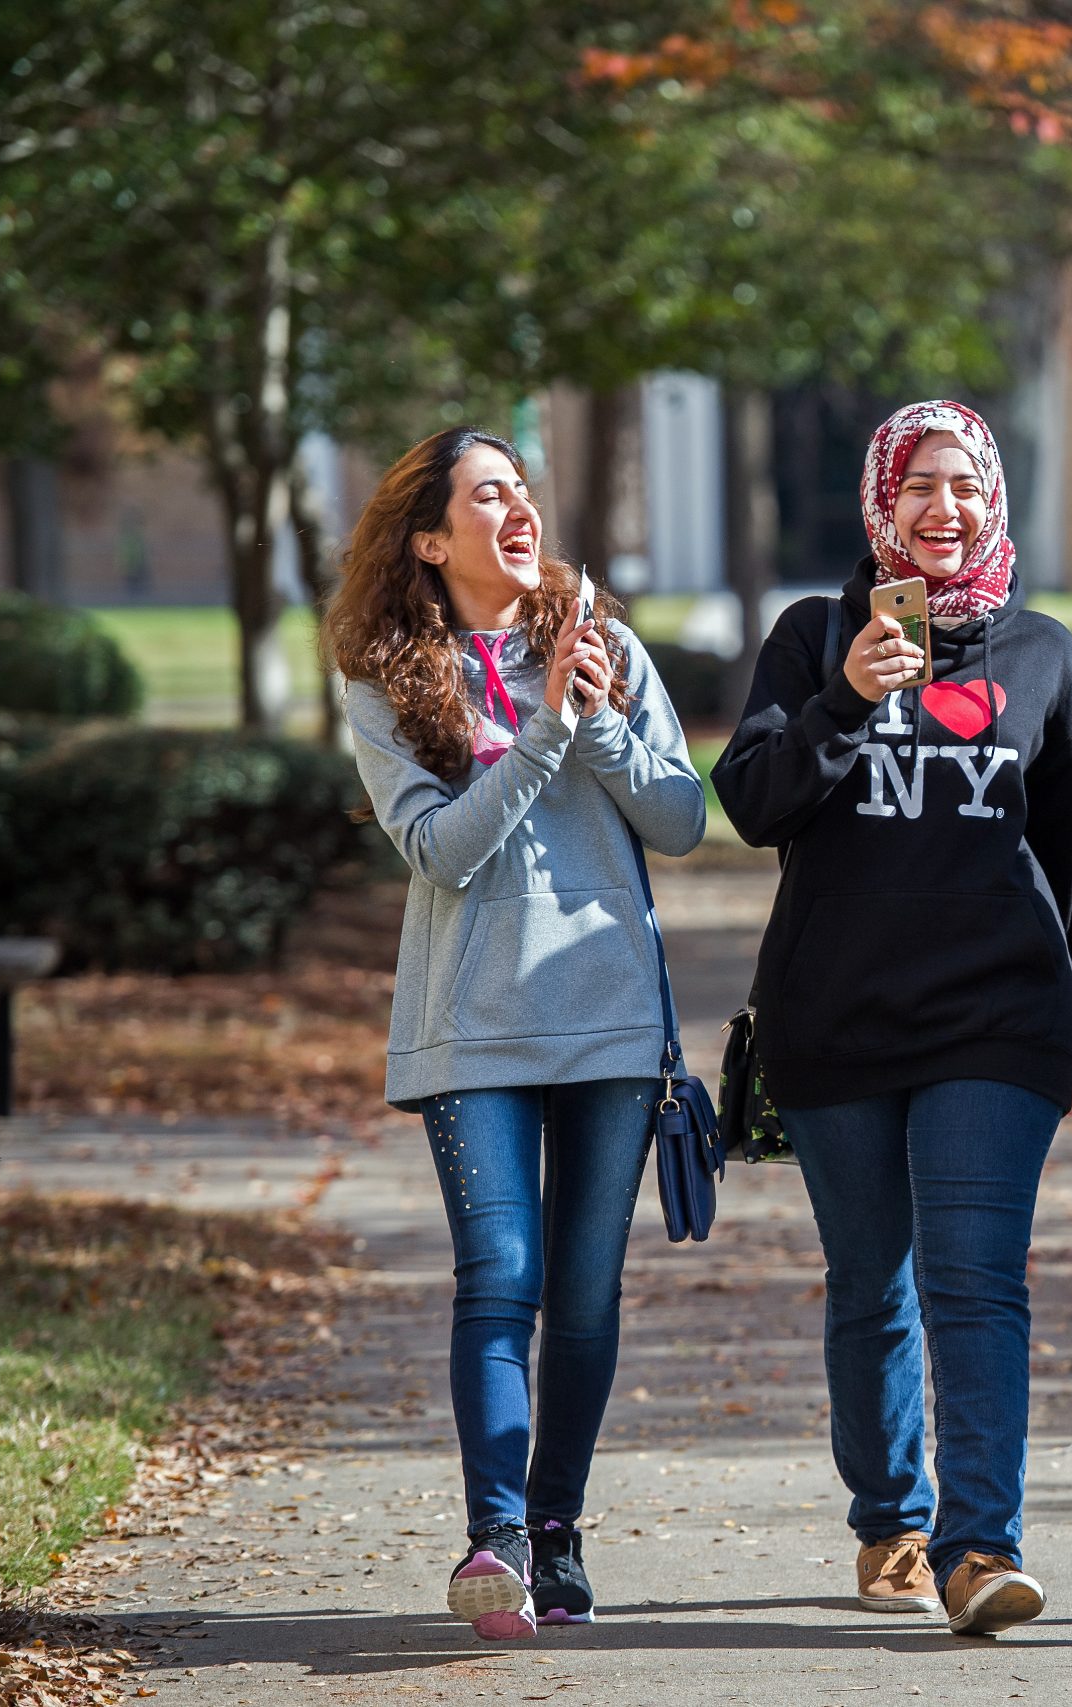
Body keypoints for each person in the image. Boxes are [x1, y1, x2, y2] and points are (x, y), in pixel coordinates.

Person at [712, 400, 1072, 1637]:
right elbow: (753, 804)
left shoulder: (1043, 653)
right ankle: (890, 1515)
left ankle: (979, 1547)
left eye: (964, 487)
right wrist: (842, 699)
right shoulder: (810, 637)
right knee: (869, 1283)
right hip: (835, 1018)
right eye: (918, 488)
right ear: (881, 501)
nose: (942, 509)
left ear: (992, 501)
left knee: (976, 1279)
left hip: (998, 1019)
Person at [326, 427, 705, 1639]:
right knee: (500, 1280)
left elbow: (685, 818)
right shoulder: (387, 678)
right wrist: (543, 732)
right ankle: (491, 1542)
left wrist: (589, 711)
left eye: (523, 488)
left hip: (606, 1021)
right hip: (472, 1026)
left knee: (585, 1298)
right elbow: (437, 849)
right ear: (433, 540)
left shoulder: (605, 647)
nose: (518, 507)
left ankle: (557, 1535)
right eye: (488, 494)